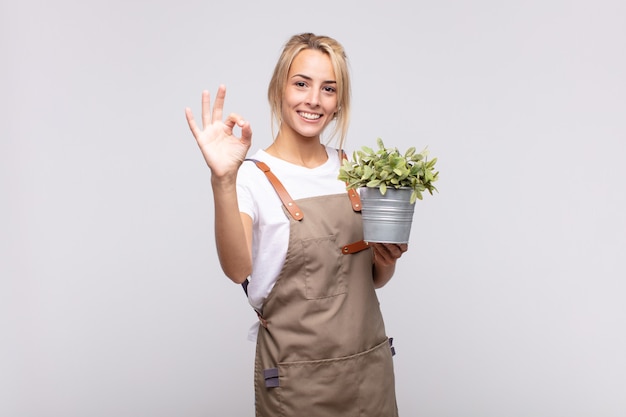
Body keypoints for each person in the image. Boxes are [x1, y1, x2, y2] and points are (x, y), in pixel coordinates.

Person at [185, 33, 408, 417]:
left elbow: (371, 278)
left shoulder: (357, 170)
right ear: (279, 90)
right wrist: (222, 179)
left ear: (338, 104)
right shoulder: (248, 177)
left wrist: (387, 258)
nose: (313, 100)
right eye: (301, 83)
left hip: (368, 378)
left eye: (328, 89)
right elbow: (237, 269)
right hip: (297, 385)